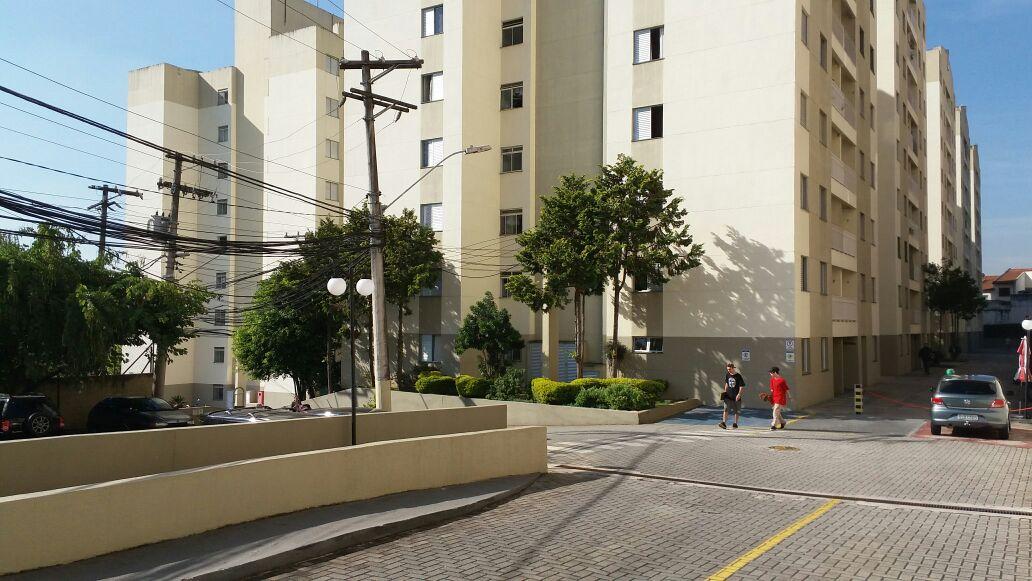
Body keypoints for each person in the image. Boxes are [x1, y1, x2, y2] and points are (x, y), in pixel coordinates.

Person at [718, 362, 745, 429]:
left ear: (733, 368)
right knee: (726, 409)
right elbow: (727, 383)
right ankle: (724, 423)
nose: (728, 370)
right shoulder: (727, 375)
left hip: (736, 396)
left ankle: (735, 423)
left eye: (729, 369)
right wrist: (725, 391)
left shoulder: (738, 376)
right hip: (728, 396)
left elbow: (741, 386)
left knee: (736, 411)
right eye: (727, 369)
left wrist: (739, 394)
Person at [768, 366, 789, 430]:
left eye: (771, 373)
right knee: (777, 412)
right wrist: (770, 397)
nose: (770, 374)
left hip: (780, 397)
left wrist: (789, 396)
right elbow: (772, 390)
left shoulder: (782, 380)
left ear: (775, 372)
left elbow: (786, 389)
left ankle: (773, 425)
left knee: (775, 410)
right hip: (775, 397)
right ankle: (783, 422)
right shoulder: (772, 380)